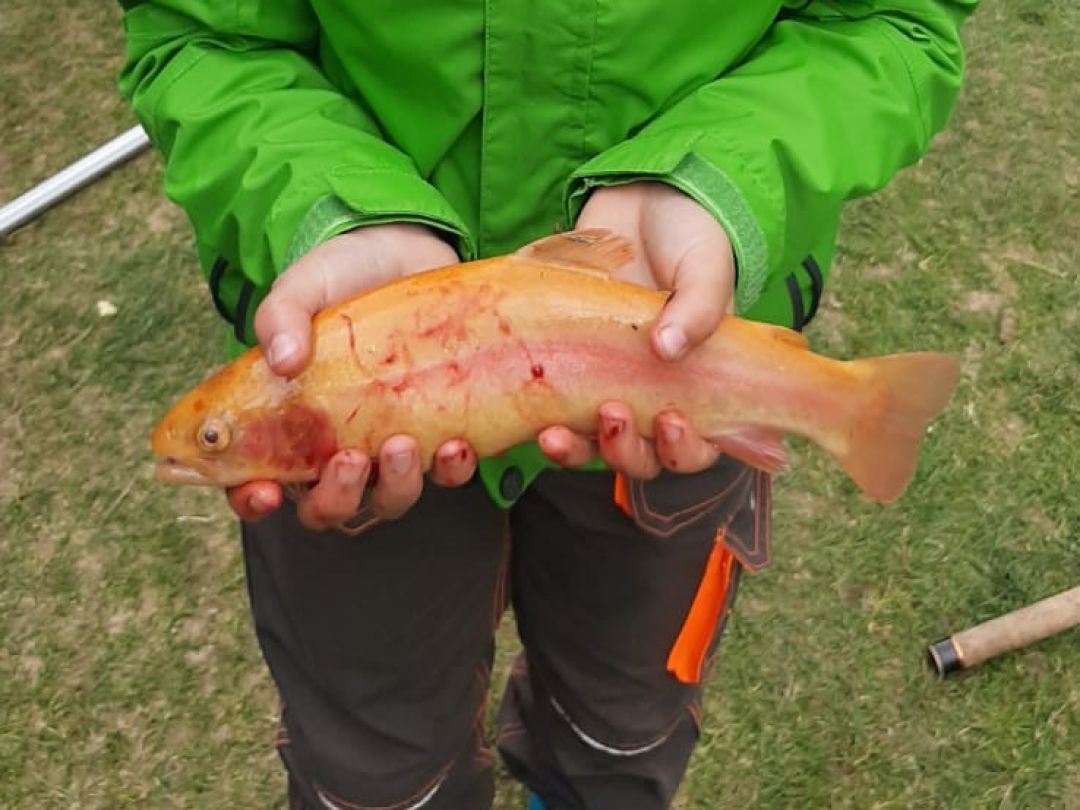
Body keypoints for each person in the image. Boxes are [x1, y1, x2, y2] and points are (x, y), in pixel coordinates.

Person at [118, 1, 976, 807]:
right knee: (373, 768)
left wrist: (719, 185)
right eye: (217, 436)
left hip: (685, 329)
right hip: (356, 377)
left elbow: (893, 21)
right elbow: (205, 36)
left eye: (217, 434)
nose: (207, 446)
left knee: (618, 735)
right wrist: (324, 209)